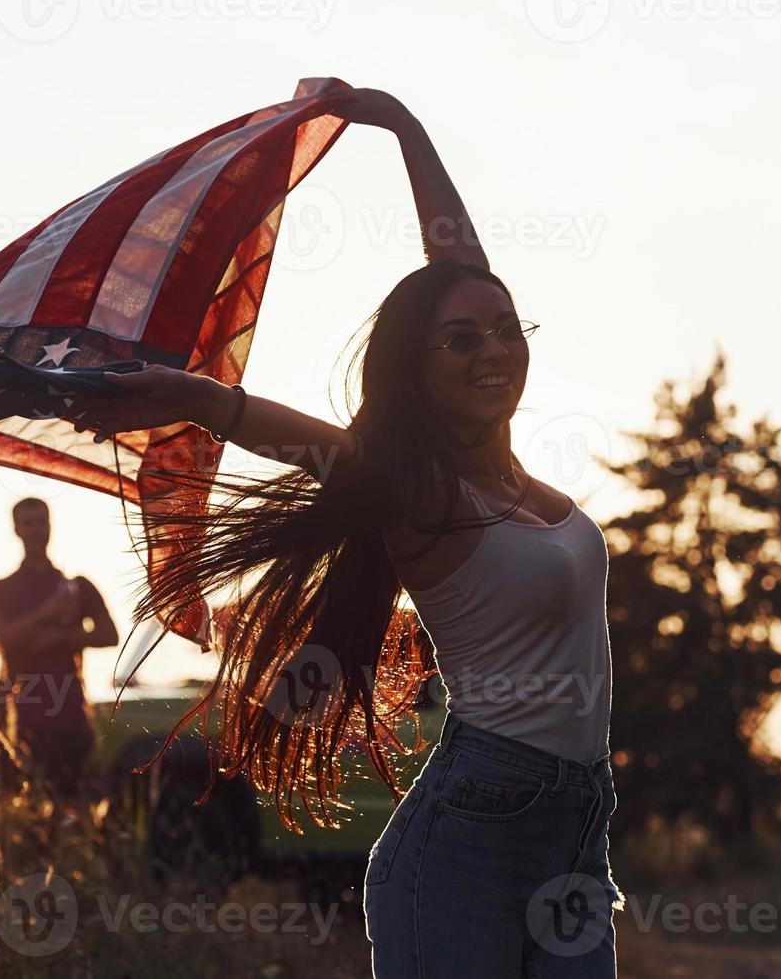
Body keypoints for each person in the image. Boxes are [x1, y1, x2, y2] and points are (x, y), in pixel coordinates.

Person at [66, 88, 623, 976]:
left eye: (505, 331)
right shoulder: (419, 492)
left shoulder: (513, 475)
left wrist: (403, 128)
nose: (492, 348)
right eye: (459, 342)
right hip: (472, 834)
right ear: (417, 370)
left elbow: (462, 271)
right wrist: (209, 402)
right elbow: (321, 450)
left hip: (578, 829)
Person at [0, 497, 118, 797]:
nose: (35, 530)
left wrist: (60, 638)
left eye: (41, 522)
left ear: (51, 526)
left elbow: (110, 634)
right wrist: (47, 613)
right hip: (17, 717)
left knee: (69, 805)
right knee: (18, 811)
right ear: (16, 528)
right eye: (28, 523)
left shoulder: (77, 586)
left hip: (69, 713)